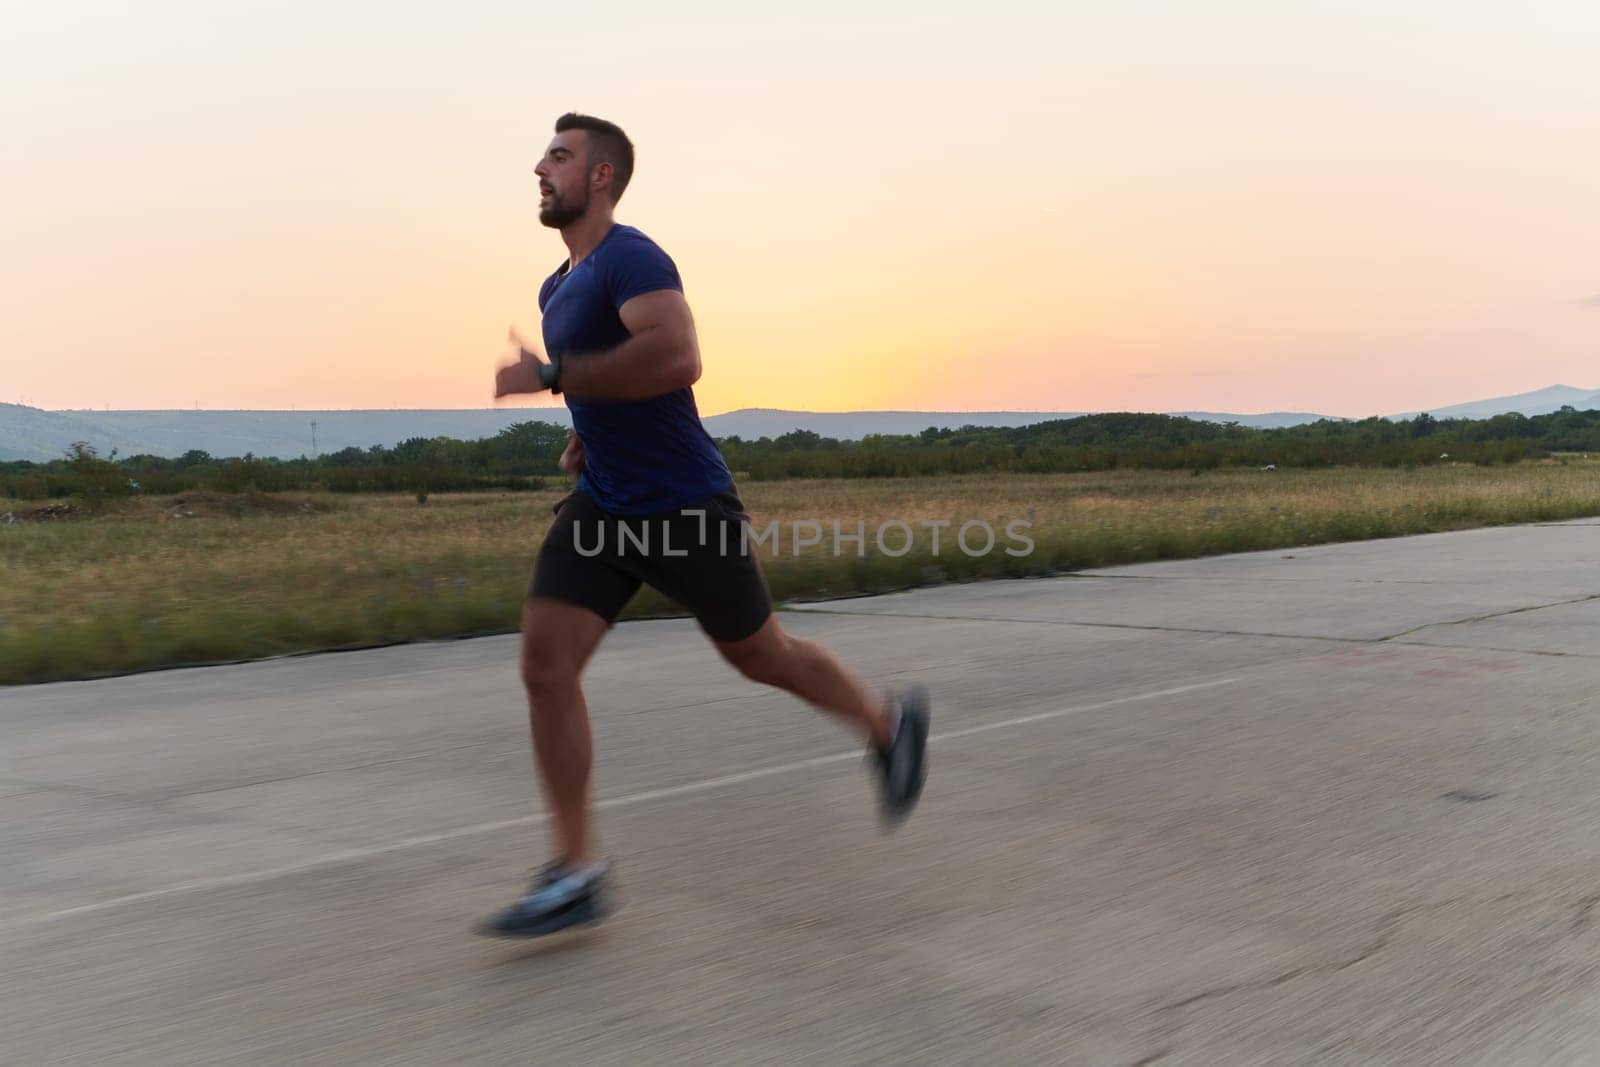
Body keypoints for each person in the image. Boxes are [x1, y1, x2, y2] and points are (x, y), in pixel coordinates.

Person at [477, 113, 930, 938]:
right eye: (544, 156)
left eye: (558, 156)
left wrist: (550, 374)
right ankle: (578, 868)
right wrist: (586, 426)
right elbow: (612, 381)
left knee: (762, 655)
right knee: (546, 663)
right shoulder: (557, 286)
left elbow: (678, 358)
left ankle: (888, 724)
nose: (540, 169)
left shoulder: (633, 256)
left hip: (685, 504)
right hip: (609, 505)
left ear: (602, 177)